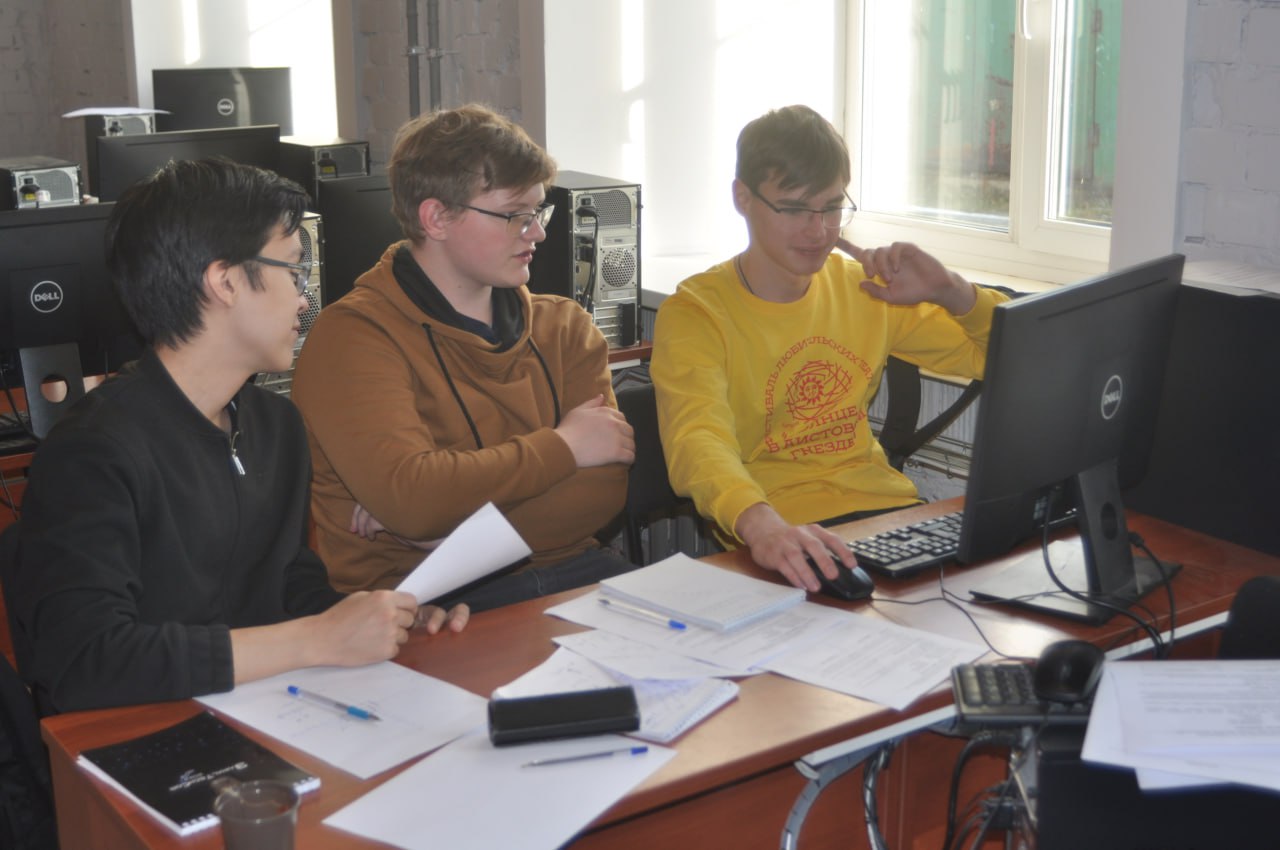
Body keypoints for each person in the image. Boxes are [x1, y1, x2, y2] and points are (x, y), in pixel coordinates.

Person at [5, 158, 467, 716]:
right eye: (292, 269)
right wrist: (315, 639)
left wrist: (373, 619)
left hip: (267, 709)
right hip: (142, 728)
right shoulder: (92, 452)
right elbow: (85, 662)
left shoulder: (276, 425)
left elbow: (288, 585)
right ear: (224, 282)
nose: (304, 296)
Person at [650, 105, 1010, 594]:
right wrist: (761, 526)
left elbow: (1006, 357)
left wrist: (951, 290)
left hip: (886, 517)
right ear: (743, 197)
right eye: (795, 209)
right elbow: (698, 440)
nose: (819, 230)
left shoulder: (865, 288)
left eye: (832, 207)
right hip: (780, 531)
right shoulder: (697, 312)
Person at [291, 104, 636, 611]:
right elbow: (415, 499)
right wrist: (566, 446)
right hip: (425, 602)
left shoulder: (566, 327)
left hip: (574, 570)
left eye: (538, 211)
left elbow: (602, 492)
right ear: (436, 218)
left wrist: (454, 536)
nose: (537, 232)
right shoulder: (353, 338)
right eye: (515, 215)